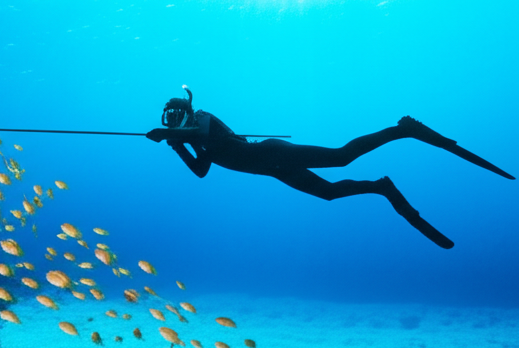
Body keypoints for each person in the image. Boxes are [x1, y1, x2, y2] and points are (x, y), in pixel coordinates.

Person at [146, 87, 514, 249]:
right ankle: (381, 187)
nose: (174, 120)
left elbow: (203, 130)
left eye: (175, 116)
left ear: (184, 112)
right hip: (274, 170)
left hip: (277, 154)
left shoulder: (204, 119)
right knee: (329, 194)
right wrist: (176, 147)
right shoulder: (193, 140)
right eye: (170, 118)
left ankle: (402, 130)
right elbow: (201, 172)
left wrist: (170, 134)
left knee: (341, 156)